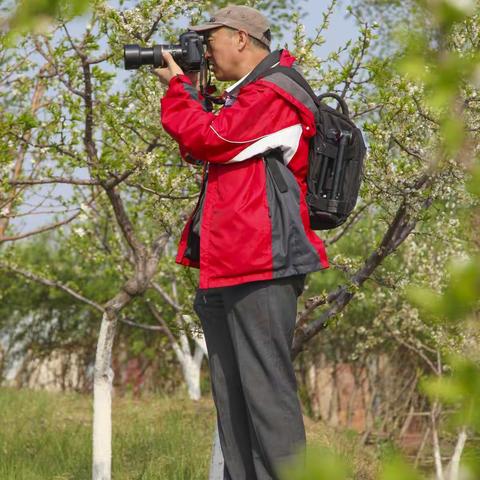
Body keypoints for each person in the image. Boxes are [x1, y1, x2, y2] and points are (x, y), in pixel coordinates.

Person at [154, 5, 329, 479]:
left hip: (262, 267)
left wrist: (179, 90)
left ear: (240, 40)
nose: (205, 54)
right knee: (234, 403)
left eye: (209, 43)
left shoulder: (276, 93)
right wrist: (192, 92)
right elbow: (197, 147)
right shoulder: (245, 97)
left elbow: (212, 138)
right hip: (228, 264)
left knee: (267, 401)